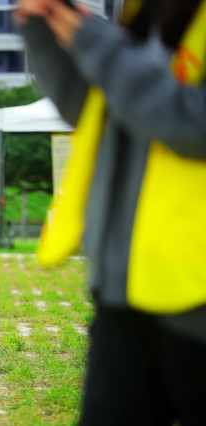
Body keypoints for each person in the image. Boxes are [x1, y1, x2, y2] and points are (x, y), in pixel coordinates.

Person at [15, 0, 206, 424]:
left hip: (195, 293)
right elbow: (98, 108)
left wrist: (99, 45)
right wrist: (43, 27)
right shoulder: (144, 11)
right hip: (125, 288)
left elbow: (194, 123)